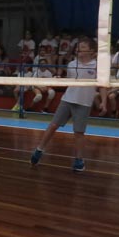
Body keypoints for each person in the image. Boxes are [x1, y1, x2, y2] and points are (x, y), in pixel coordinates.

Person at [30, 38, 106, 174]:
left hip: (84, 103)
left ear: (91, 51)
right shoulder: (72, 64)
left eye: (83, 47)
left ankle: (79, 160)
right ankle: (39, 150)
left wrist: (104, 102)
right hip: (68, 100)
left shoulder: (97, 66)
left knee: (79, 133)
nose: (79, 49)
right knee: (53, 125)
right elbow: (70, 82)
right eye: (78, 47)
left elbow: (103, 86)